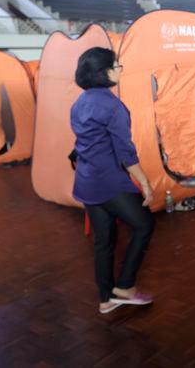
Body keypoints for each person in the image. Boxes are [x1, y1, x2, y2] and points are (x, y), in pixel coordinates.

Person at [71, 47, 155, 314]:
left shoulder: (79, 103)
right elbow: (126, 152)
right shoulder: (112, 106)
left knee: (103, 240)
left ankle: (106, 298)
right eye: (117, 66)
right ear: (103, 72)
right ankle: (125, 287)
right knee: (144, 225)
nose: (120, 69)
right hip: (108, 181)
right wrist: (146, 183)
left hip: (86, 181)